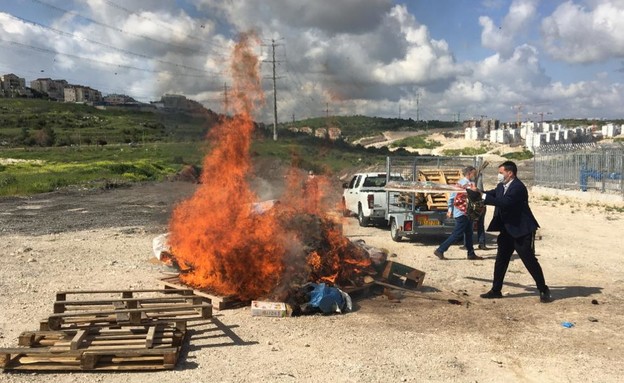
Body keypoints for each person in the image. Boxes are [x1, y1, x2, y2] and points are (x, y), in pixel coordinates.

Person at [473, 161, 551, 303]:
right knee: (501, 260)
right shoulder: (502, 186)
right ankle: (496, 290)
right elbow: (492, 194)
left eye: (501, 173)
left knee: (529, 261)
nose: (499, 175)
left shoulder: (518, 187)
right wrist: (478, 193)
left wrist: (483, 197)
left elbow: (505, 202)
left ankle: (543, 289)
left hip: (521, 230)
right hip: (507, 230)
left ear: (510, 173)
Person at [433, 166, 483, 261]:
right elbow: (452, 197)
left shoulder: (468, 184)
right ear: (469, 173)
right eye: (474, 173)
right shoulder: (463, 184)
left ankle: (471, 253)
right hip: (462, 213)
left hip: (468, 213)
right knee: (457, 234)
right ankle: (440, 250)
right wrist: (450, 210)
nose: (475, 175)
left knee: (469, 233)